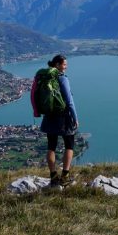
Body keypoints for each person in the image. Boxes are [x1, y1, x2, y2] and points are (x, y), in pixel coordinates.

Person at [35, 54, 79, 186]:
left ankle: (53, 176)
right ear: (57, 65)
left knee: (51, 147)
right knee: (69, 145)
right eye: (64, 64)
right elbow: (69, 101)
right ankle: (65, 176)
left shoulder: (45, 76)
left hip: (49, 115)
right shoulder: (61, 78)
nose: (66, 67)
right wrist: (75, 117)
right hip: (63, 116)